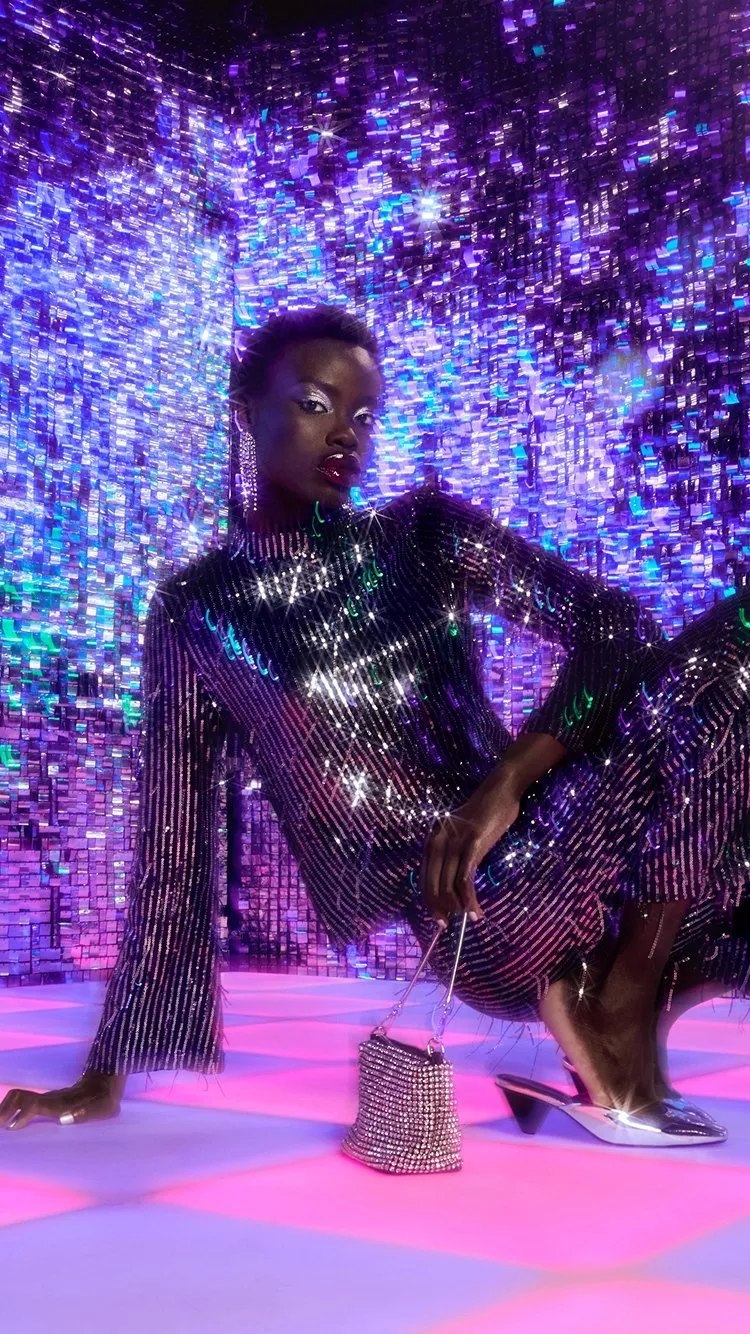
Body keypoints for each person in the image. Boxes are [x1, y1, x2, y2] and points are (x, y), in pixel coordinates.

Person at [2, 304, 748, 1145]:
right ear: (247, 410)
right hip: (481, 912)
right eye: (317, 405)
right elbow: (175, 852)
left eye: (362, 416)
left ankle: (632, 995)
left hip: (565, 850)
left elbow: (614, 628)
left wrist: (504, 785)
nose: (344, 436)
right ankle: (614, 1006)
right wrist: (101, 1077)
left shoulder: (423, 537)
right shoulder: (201, 612)